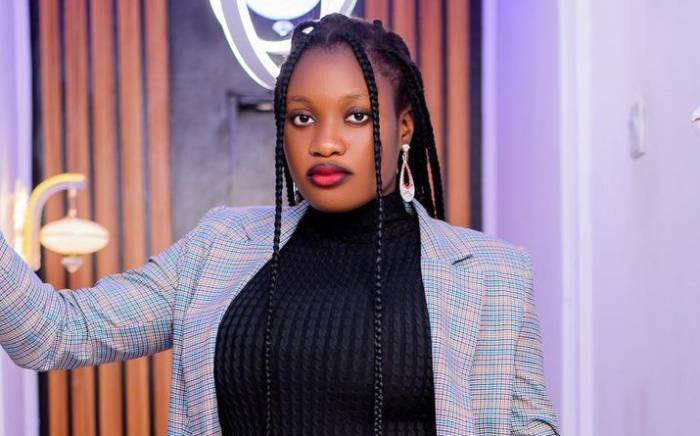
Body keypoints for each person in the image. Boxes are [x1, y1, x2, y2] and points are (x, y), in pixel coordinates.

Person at [0, 14, 559, 436]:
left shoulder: (492, 275)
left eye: (357, 115)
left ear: (404, 126)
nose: (325, 142)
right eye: (302, 117)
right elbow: (54, 333)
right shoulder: (219, 248)